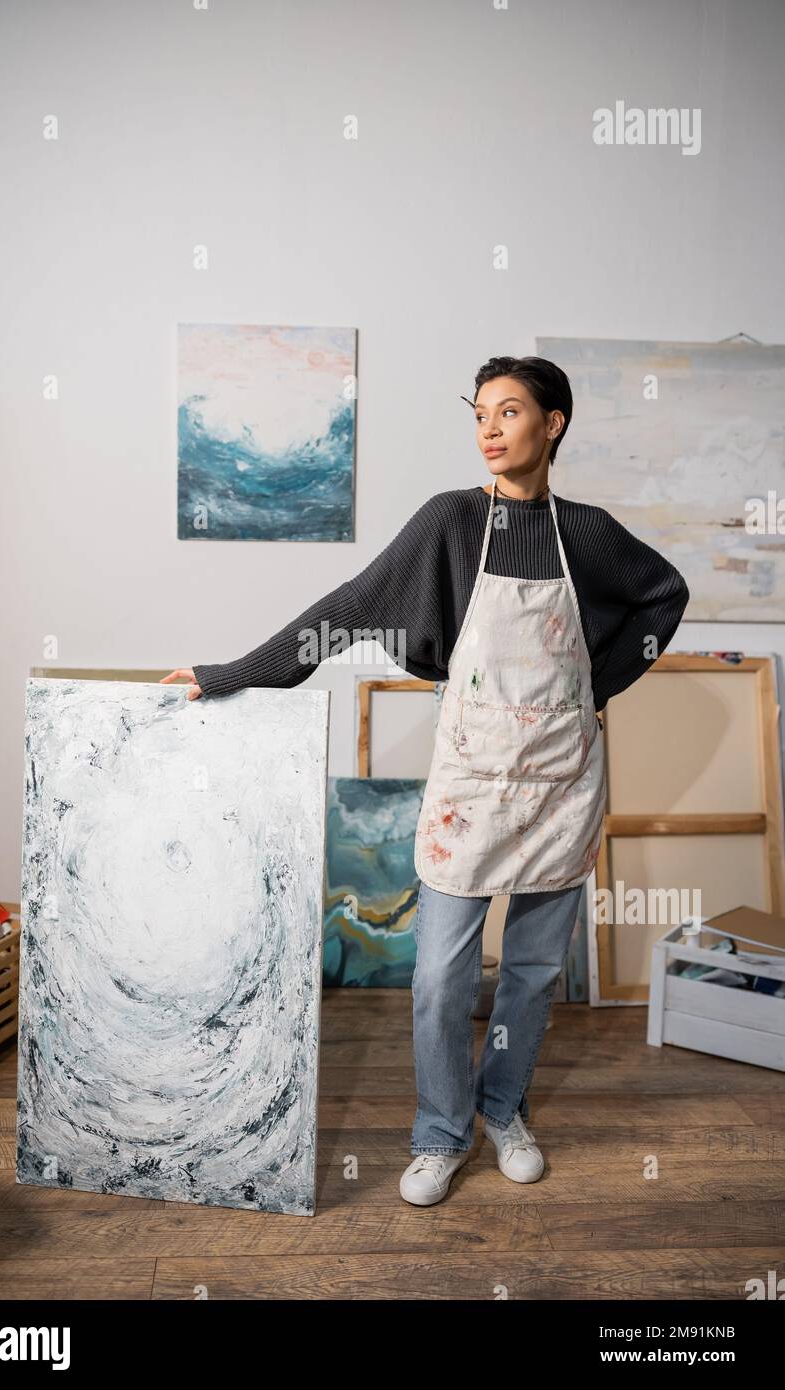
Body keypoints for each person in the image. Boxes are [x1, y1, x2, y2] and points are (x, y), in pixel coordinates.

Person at [163, 354, 690, 1207]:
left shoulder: (586, 534)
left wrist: (603, 681)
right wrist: (231, 673)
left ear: (551, 424)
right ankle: (441, 1134)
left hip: (560, 786)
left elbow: (664, 596)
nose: (487, 427)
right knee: (442, 976)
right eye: (478, 412)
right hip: (471, 788)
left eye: (508, 411)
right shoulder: (450, 522)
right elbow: (348, 605)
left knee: (529, 972)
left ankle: (504, 1108)